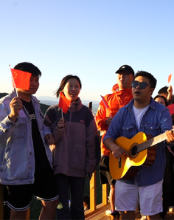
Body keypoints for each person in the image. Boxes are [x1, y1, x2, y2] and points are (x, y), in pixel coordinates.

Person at [104, 71, 174, 220]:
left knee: (152, 214)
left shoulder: (161, 111)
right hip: (125, 170)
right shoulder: (123, 112)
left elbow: (169, 136)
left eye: (142, 85)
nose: (137, 87)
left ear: (151, 90)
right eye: (134, 84)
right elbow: (108, 137)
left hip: (151, 172)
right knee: (125, 212)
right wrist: (114, 147)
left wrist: (171, 138)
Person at [0, 62, 58, 220]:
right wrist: (11, 116)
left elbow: (40, 126)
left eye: (37, 80)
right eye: (30, 79)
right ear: (18, 79)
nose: (35, 84)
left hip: (42, 163)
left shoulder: (35, 102)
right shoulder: (5, 104)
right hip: (19, 168)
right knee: (18, 212)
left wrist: (47, 133)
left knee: (52, 202)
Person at [44, 75, 99, 220]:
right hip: (59, 167)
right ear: (63, 88)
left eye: (77, 86)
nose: (74, 89)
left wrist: (91, 164)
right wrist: (57, 128)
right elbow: (47, 138)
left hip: (79, 167)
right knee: (62, 207)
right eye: (70, 86)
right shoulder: (53, 111)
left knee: (77, 206)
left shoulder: (86, 113)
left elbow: (93, 139)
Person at [95, 65, 134, 218]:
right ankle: (114, 212)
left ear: (132, 77)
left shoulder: (136, 97)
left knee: (129, 185)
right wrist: (106, 121)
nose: (121, 77)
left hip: (129, 149)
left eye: (125, 75)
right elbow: (97, 122)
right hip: (108, 150)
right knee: (113, 185)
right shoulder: (107, 99)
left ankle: (129, 213)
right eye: (119, 74)